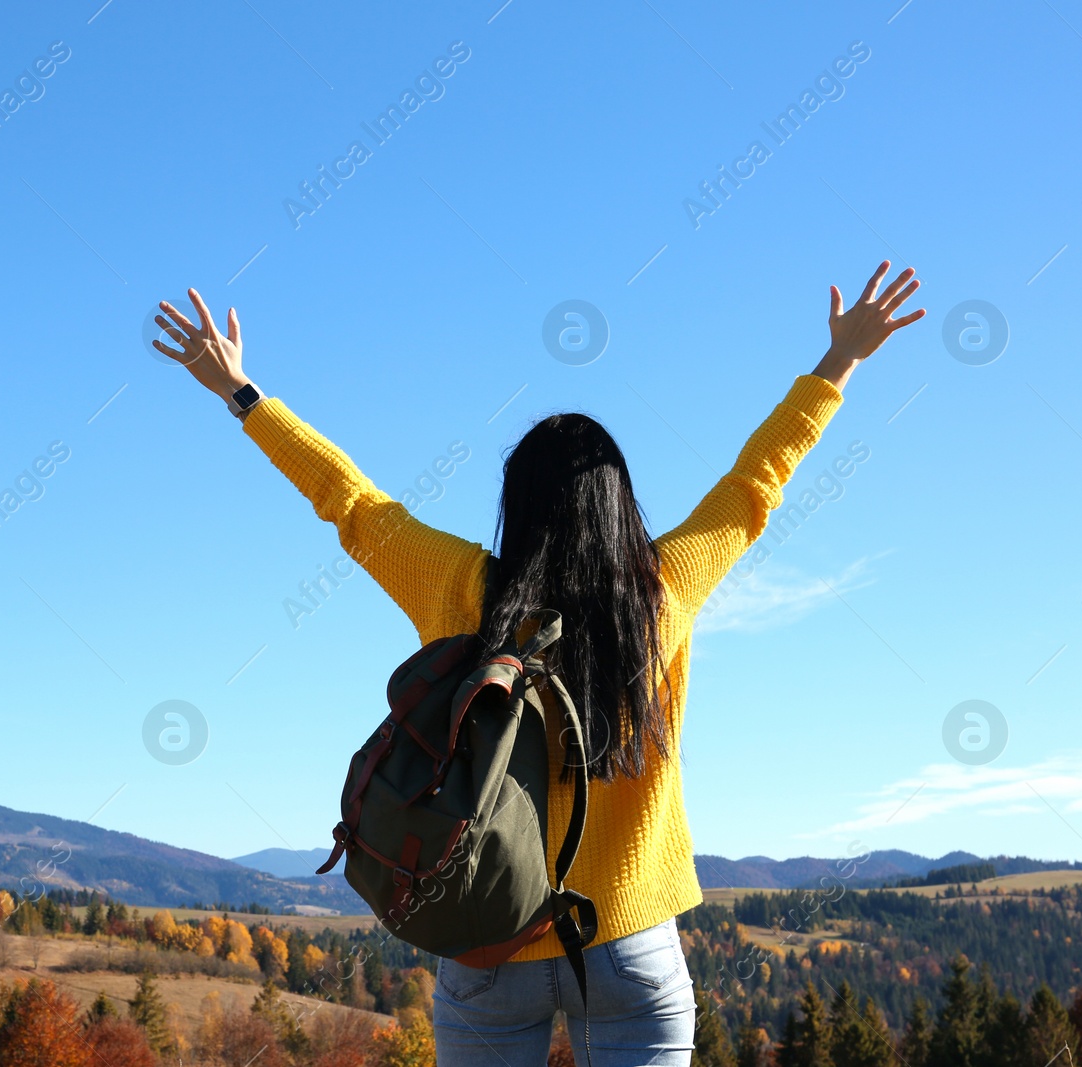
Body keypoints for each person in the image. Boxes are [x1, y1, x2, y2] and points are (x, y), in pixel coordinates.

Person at [153, 262, 924, 1066]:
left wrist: (243, 394)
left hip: (487, 942)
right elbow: (754, 484)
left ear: (514, 506)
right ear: (619, 506)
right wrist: (840, 362)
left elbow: (352, 502)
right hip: (628, 940)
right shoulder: (660, 593)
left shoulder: (461, 587)